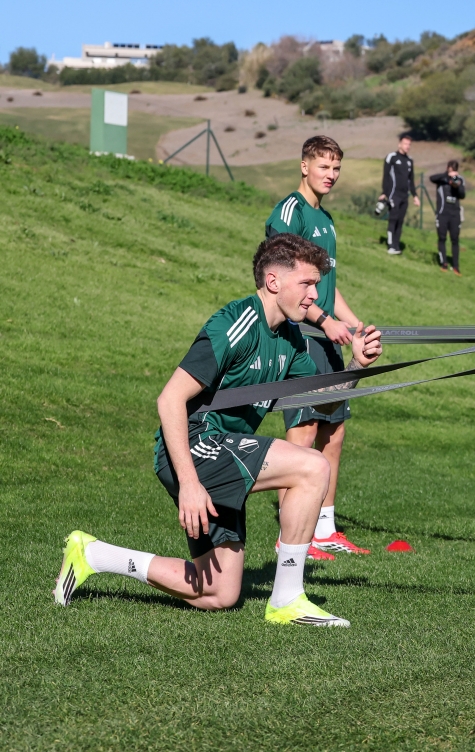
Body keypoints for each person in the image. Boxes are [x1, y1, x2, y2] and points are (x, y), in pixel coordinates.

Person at [53, 234, 384, 624]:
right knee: (313, 467)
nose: (315, 295)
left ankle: (92, 554)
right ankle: (287, 599)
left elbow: (323, 402)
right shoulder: (235, 324)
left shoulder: (292, 340)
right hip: (194, 446)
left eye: (316, 284)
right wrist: (190, 484)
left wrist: (357, 367)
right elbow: (169, 400)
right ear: (274, 282)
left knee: (219, 593)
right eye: (307, 283)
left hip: (221, 453)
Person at [266, 136, 371, 557]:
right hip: (301, 337)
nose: (331, 175)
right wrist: (325, 321)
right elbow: (287, 283)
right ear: (304, 166)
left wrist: (354, 323)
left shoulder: (325, 219)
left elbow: (327, 284)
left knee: (334, 430)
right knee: (303, 432)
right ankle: (293, 537)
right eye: (323, 166)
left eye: (336, 169)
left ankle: (324, 529)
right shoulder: (290, 213)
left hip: (326, 335)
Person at [380, 133, 420, 255]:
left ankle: (397, 245)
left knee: (400, 221)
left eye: (409, 144)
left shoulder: (409, 161)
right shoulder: (391, 157)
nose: (407, 146)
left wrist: (415, 196)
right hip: (393, 194)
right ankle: (391, 246)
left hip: (404, 196)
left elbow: (410, 180)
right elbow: (386, 176)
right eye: (405, 143)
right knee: (393, 218)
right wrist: (384, 193)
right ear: (399, 144)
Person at [431, 161, 466, 274]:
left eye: (454, 170)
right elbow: (432, 178)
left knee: (455, 239)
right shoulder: (442, 179)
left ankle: (456, 266)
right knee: (442, 237)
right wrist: (447, 176)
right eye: (450, 169)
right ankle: (444, 263)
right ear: (447, 168)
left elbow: (462, 195)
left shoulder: (460, 179)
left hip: (455, 214)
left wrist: (456, 184)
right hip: (442, 213)